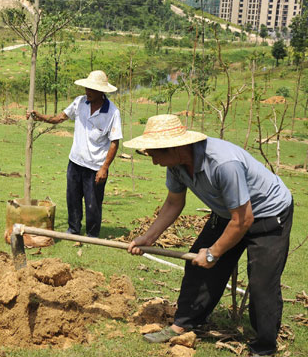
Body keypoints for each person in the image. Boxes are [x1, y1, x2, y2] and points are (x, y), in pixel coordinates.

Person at [124, 114, 293, 357]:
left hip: (268, 214)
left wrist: (214, 254)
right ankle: (184, 323)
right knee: (197, 265)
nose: (154, 161)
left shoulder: (223, 163)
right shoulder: (176, 164)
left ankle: (264, 346)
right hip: (229, 211)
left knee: (261, 284)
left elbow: (244, 220)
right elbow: (173, 202)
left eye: (156, 154)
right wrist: (148, 238)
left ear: (177, 147)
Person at [27, 70, 122, 238]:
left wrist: (104, 168)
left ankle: (93, 235)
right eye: (86, 88)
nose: (87, 92)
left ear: (102, 92)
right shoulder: (79, 103)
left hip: (95, 166)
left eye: (91, 89)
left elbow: (114, 142)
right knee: (73, 199)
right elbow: (60, 118)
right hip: (75, 162)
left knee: (93, 204)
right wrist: (40, 117)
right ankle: (73, 229)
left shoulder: (112, 113)